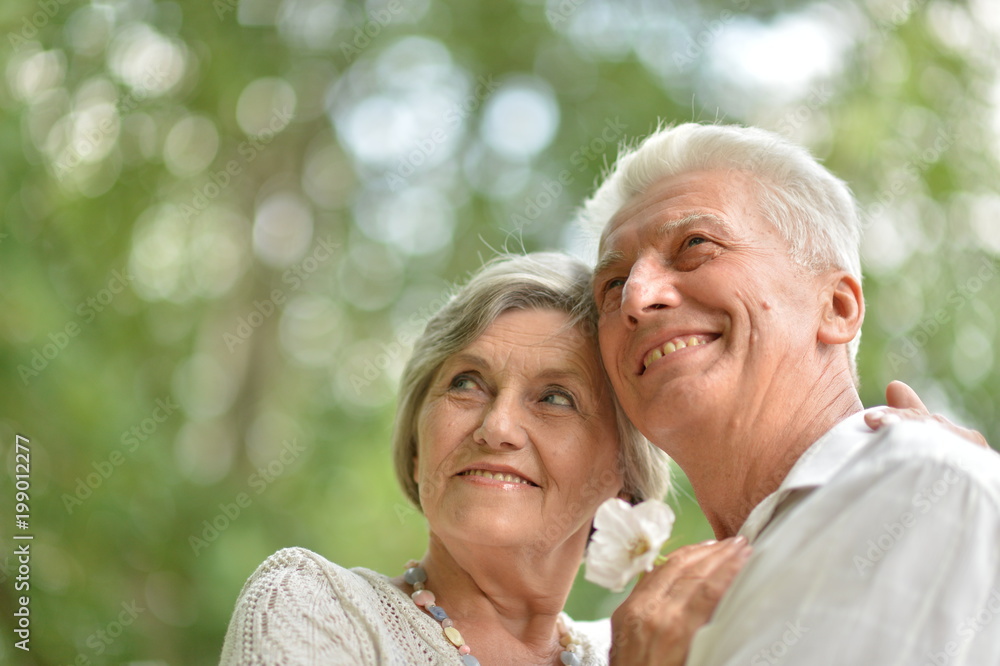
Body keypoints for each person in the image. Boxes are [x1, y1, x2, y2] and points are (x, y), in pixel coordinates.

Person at [579, 122, 1000, 664]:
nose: (637, 296)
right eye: (611, 286)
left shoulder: (923, 489)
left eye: (695, 246)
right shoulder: (656, 622)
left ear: (837, 308)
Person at [218, 252, 752, 666]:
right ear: (415, 440)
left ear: (624, 481)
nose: (496, 427)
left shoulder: (642, 643)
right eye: (466, 384)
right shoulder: (316, 603)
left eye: (555, 398)